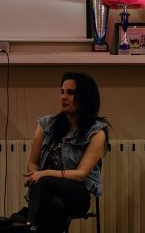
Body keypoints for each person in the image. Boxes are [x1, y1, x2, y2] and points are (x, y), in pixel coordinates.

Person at [23, 72, 110, 233]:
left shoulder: (96, 131)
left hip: (78, 194)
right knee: (55, 204)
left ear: (85, 97)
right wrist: (35, 175)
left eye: (70, 92)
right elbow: (32, 162)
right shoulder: (46, 125)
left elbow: (81, 174)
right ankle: (31, 225)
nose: (63, 97)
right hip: (46, 192)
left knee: (45, 183)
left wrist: (44, 174)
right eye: (62, 92)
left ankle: (27, 224)